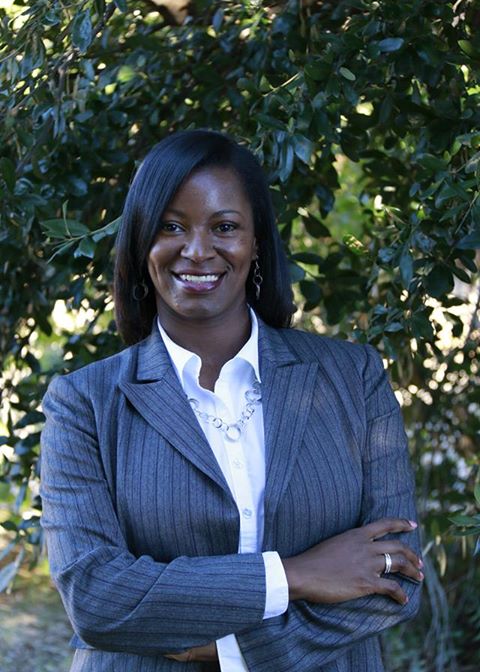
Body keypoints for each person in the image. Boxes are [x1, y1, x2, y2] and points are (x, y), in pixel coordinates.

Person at [40, 129, 423, 672]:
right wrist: (292, 574)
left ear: (256, 242)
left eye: (224, 227)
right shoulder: (83, 404)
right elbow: (96, 596)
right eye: (171, 226)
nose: (198, 251)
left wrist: (229, 650)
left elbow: (398, 575)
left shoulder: (353, 377)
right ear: (141, 241)